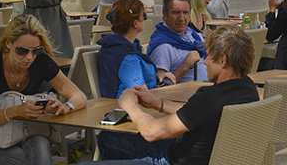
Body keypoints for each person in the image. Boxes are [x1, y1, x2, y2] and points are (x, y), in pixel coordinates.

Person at [94, 25, 260, 165]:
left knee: (98, 148)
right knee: (108, 137)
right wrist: (155, 103)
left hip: (173, 160)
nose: (205, 62)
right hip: (207, 156)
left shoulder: (208, 97)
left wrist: (131, 107)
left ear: (223, 60)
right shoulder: (248, 88)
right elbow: (194, 112)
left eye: (209, 56)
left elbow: (151, 132)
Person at [0, 14, 87, 165]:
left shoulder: (41, 62)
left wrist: (65, 107)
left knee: (41, 143)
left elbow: (79, 96)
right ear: (8, 43)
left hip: (26, 135)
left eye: (36, 50)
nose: (29, 57)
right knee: (32, 160)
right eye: (22, 50)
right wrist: (15, 111)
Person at [97, 0, 175, 99]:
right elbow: (142, 95)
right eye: (144, 16)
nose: (145, 19)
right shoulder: (127, 58)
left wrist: (158, 77)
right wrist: (165, 84)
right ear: (135, 23)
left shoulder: (116, 46)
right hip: (133, 109)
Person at [147, 0, 207, 83]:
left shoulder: (194, 36)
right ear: (164, 14)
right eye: (176, 13)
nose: (182, 18)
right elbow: (161, 87)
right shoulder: (163, 47)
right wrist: (186, 65)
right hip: (187, 95)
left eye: (185, 13)